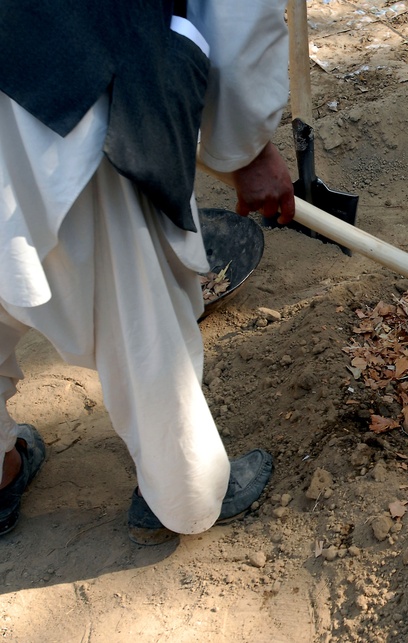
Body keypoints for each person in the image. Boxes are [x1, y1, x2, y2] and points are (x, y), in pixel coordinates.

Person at [0, 0, 296, 544]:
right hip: (72, 90)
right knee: (137, 304)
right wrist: (247, 148)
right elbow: (236, 14)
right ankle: (183, 494)